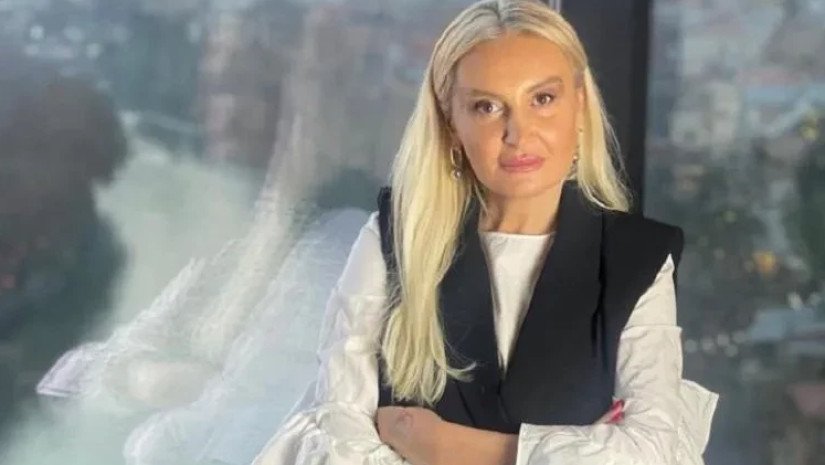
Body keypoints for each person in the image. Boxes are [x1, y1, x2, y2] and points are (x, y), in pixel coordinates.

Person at [254, 1, 718, 464]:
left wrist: (442, 446)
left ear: (579, 105)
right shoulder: (396, 237)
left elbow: (649, 451)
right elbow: (340, 435)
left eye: (542, 99)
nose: (518, 133)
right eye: (487, 107)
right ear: (452, 124)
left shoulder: (637, 258)